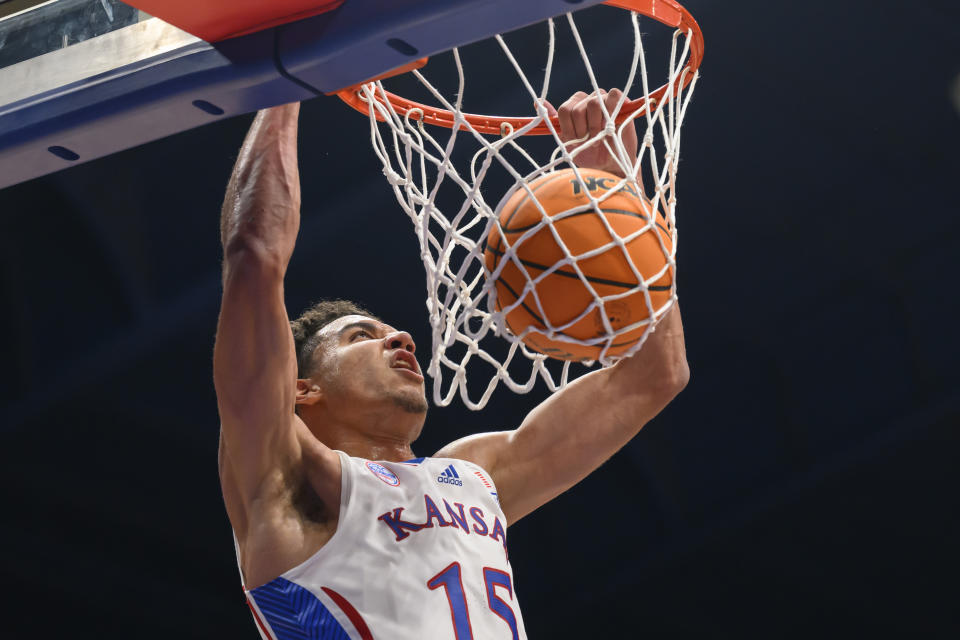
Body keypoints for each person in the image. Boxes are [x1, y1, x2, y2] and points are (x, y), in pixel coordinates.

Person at [215, 89, 689, 639]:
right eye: (361, 337)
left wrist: (620, 211)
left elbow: (658, 374)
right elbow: (253, 256)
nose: (401, 341)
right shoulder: (288, 479)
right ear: (302, 391)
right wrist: (286, 82)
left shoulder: (473, 476)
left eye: (394, 332)